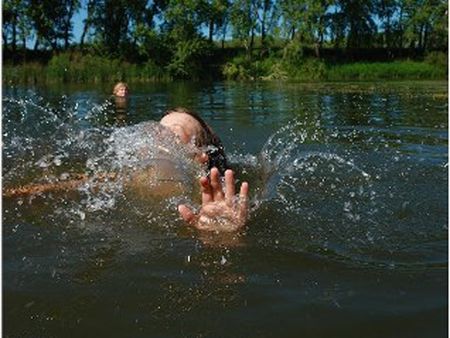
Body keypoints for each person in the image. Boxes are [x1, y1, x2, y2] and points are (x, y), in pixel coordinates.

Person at [3, 107, 249, 233]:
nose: (156, 137)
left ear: (200, 159)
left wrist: (219, 232)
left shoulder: (206, 199)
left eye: (174, 134)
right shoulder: (126, 177)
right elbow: (57, 189)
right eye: (156, 130)